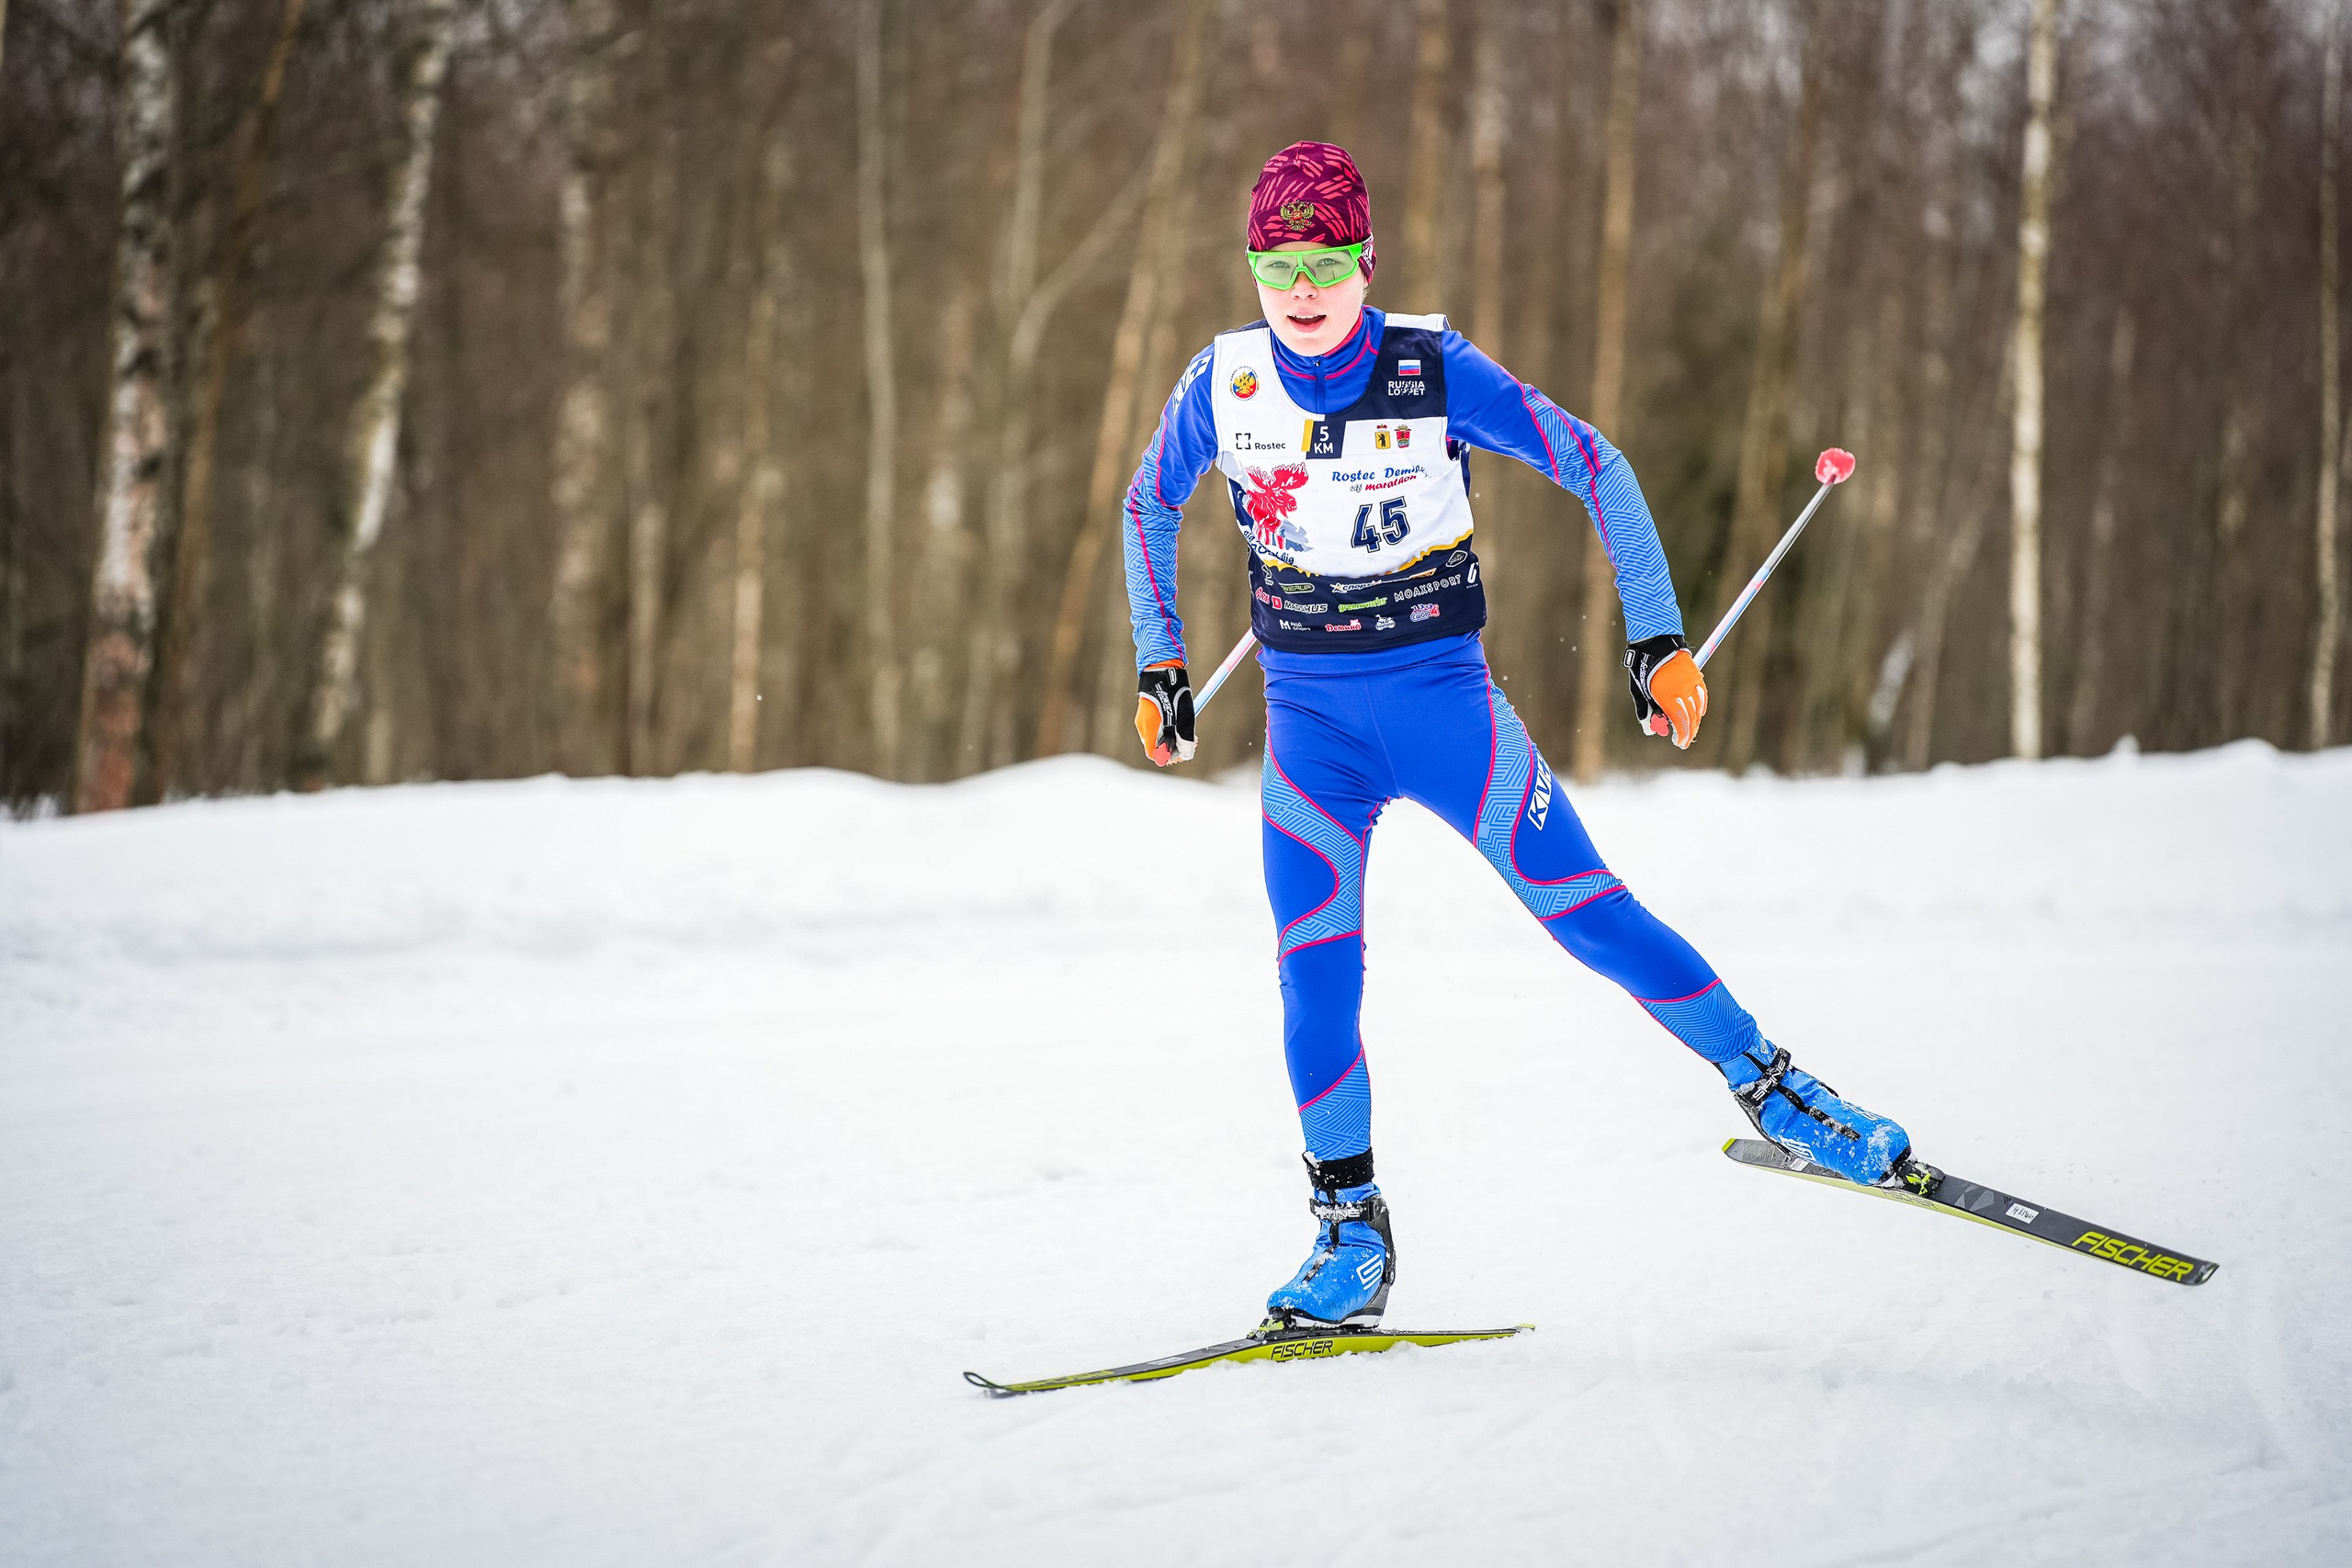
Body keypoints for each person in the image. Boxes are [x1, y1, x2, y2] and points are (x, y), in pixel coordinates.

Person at [1117, 141, 1917, 1333]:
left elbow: (1598, 465)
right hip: (1311, 730)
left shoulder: (1429, 369)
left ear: (1365, 262)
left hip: (1444, 707)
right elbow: (1149, 502)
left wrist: (1658, 640)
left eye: (1326, 260)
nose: (1301, 288)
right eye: (1276, 264)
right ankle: (1350, 1233)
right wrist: (1161, 660)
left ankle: (1782, 1092)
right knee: (1314, 972)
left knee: (1586, 910)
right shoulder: (1221, 386)